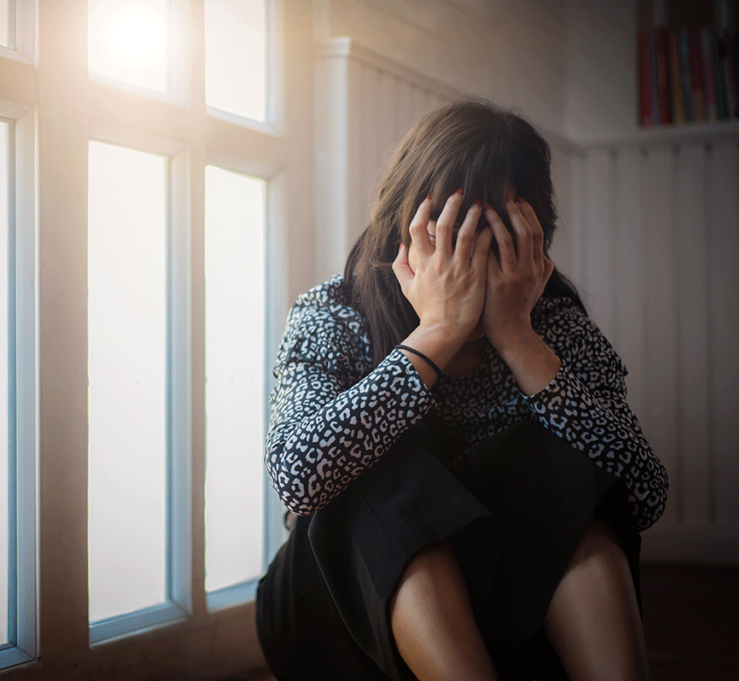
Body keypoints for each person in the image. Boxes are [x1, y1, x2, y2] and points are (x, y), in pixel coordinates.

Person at [255, 99, 669, 681]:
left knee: (562, 459)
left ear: (534, 239)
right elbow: (297, 478)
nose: (468, 256)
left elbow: (644, 493)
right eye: (451, 230)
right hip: (339, 611)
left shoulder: (553, 323)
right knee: (381, 460)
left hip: (501, 607)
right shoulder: (335, 312)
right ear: (403, 223)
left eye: (495, 234)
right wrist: (437, 335)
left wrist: (520, 341)